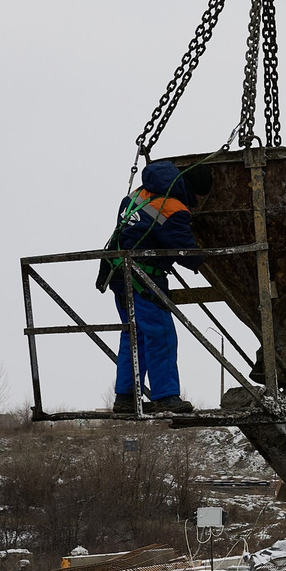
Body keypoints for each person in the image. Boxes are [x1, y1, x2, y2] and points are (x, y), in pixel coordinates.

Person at [97, 158, 198, 415]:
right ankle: (166, 397)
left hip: (118, 277)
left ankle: (126, 397)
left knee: (133, 334)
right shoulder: (172, 208)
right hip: (145, 280)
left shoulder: (132, 197)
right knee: (160, 335)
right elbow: (187, 252)